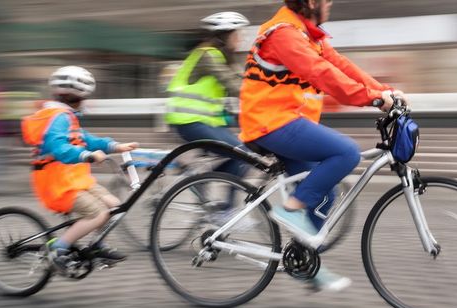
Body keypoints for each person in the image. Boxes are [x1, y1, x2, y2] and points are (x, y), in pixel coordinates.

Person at [239, 0, 408, 292]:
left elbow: (341, 66)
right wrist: (374, 99)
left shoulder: (308, 35)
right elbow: (322, 74)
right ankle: (290, 209)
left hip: (288, 121)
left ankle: (304, 264)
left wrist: (384, 91)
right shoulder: (284, 33)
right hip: (270, 122)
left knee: (326, 195)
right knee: (345, 152)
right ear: (310, 2)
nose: (330, 3)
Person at [21, 66, 138, 271]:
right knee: (97, 214)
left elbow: (86, 139)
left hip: (75, 181)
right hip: (57, 185)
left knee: (114, 205)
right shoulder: (58, 117)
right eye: (85, 97)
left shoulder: (67, 116)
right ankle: (58, 249)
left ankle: (96, 246)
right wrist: (86, 155)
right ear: (78, 96)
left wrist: (114, 146)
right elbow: (58, 148)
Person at [166, 11, 251, 178]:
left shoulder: (222, 57)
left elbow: (245, 81)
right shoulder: (208, 56)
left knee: (244, 155)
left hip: (204, 122)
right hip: (190, 121)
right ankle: (200, 182)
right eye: (237, 34)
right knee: (243, 154)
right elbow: (236, 86)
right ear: (223, 36)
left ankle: (197, 180)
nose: (240, 39)